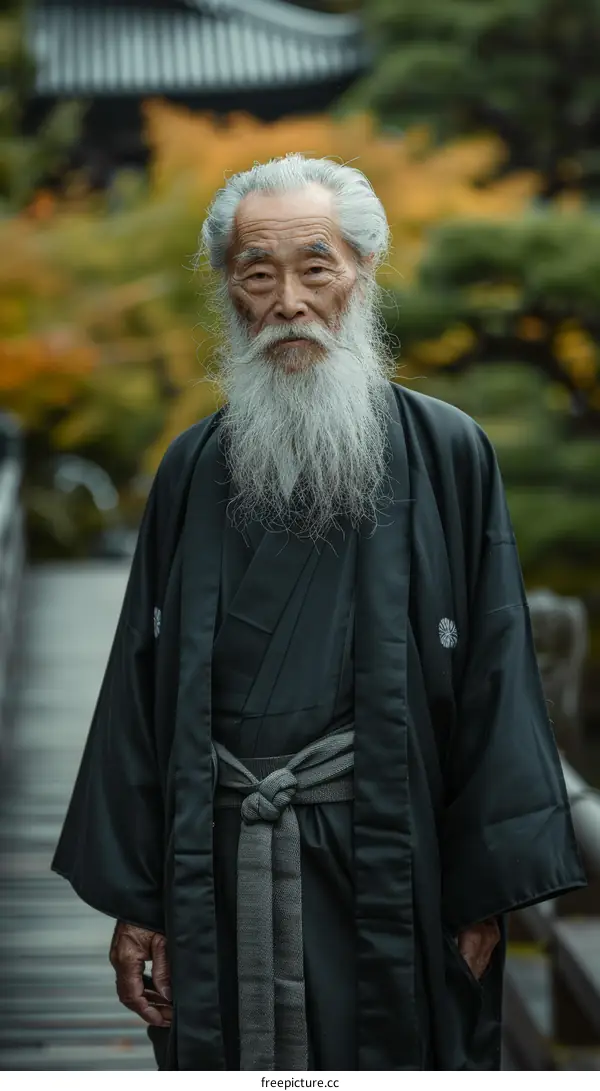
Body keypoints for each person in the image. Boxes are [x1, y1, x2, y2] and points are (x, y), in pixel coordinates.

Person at [52, 155, 586, 1072]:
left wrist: (482, 893)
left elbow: (499, 671)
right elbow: (138, 696)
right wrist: (138, 899)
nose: (289, 300)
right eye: (258, 274)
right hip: (216, 865)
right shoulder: (190, 469)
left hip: (393, 858)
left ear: (363, 275)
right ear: (230, 291)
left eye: (317, 266)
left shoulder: (449, 450)